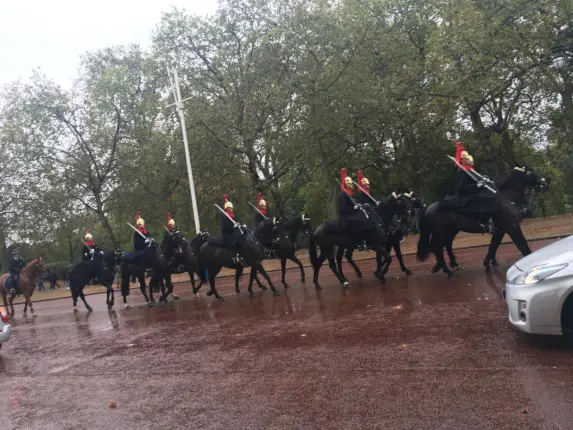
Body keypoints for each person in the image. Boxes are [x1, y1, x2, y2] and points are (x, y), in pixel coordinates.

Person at [338, 168, 369, 238]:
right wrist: (343, 172)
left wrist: (357, 205)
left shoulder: (352, 193)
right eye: (350, 184)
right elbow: (343, 181)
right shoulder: (344, 190)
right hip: (347, 214)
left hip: (353, 211)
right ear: (347, 184)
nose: (352, 185)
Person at [220, 195, 247, 265]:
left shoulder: (232, 216)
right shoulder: (224, 216)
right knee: (237, 241)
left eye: (232, 207)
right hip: (228, 235)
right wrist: (233, 227)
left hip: (234, 233)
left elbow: (238, 221)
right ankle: (237, 256)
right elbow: (224, 228)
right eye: (230, 208)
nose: (232, 208)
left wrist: (241, 225)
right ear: (227, 208)